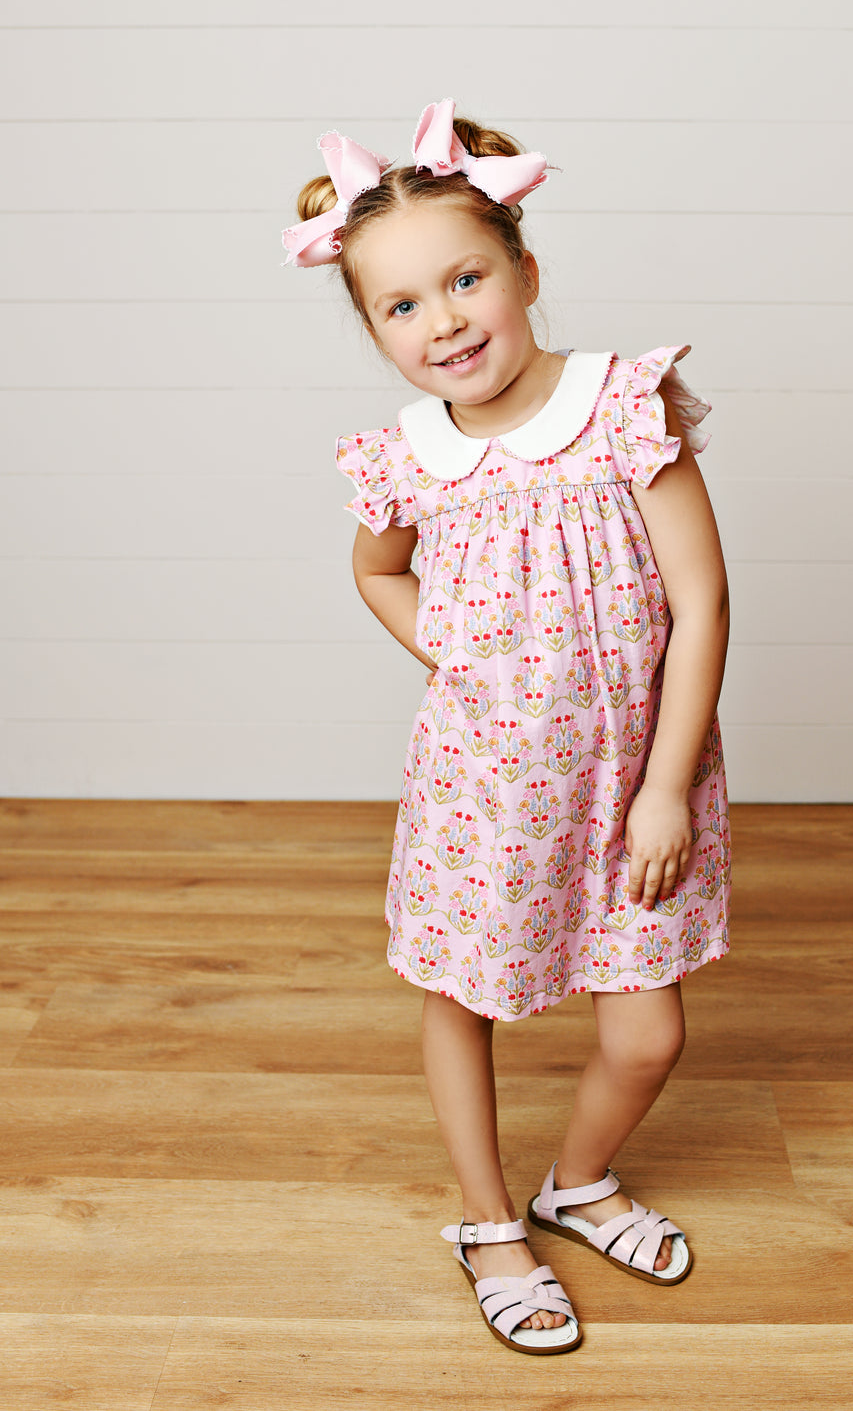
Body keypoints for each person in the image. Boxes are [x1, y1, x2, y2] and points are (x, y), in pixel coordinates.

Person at [282, 100, 731, 1356]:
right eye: (402, 305)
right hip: (483, 788)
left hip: (629, 784)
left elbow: (701, 601)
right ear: (375, 329)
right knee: (463, 994)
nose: (444, 321)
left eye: (465, 279)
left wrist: (665, 787)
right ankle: (488, 1222)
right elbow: (379, 573)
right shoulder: (407, 458)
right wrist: (464, 655)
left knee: (648, 1032)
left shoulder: (620, 405)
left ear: (524, 271)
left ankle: (577, 1183)